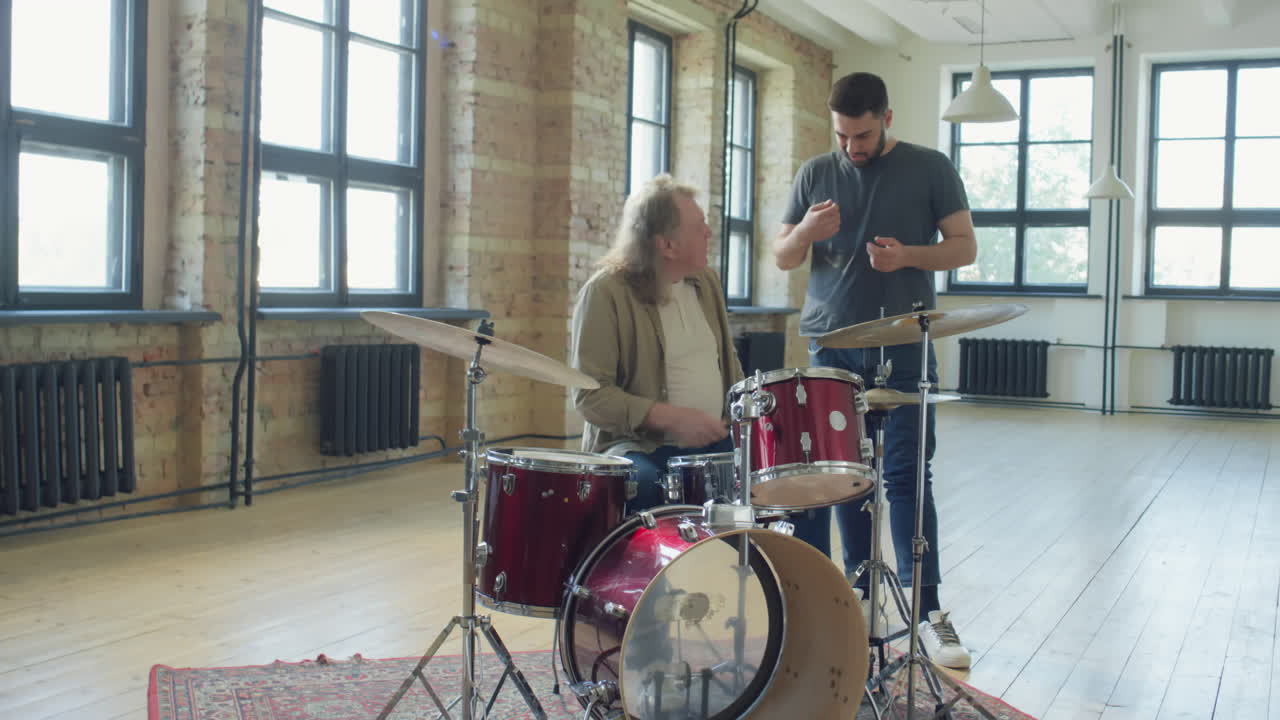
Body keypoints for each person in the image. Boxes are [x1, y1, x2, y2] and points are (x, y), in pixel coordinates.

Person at [772, 72, 977, 669]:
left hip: (903, 343)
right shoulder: (816, 171)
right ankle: (860, 596)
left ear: (886, 118)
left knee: (909, 474)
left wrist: (909, 256)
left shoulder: (930, 167)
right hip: (830, 346)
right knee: (844, 475)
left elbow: (964, 246)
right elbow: (783, 252)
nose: (851, 148)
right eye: (842, 135)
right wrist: (807, 232)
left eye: (861, 135)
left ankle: (929, 609)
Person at [571, 174, 744, 515]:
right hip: (639, 447)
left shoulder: (705, 281)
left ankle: (805, 569)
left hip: (716, 439)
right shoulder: (605, 293)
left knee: (795, 478)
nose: (709, 233)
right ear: (667, 245)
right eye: (698, 228)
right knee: (646, 486)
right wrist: (668, 417)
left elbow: (729, 365)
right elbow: (591, 398)